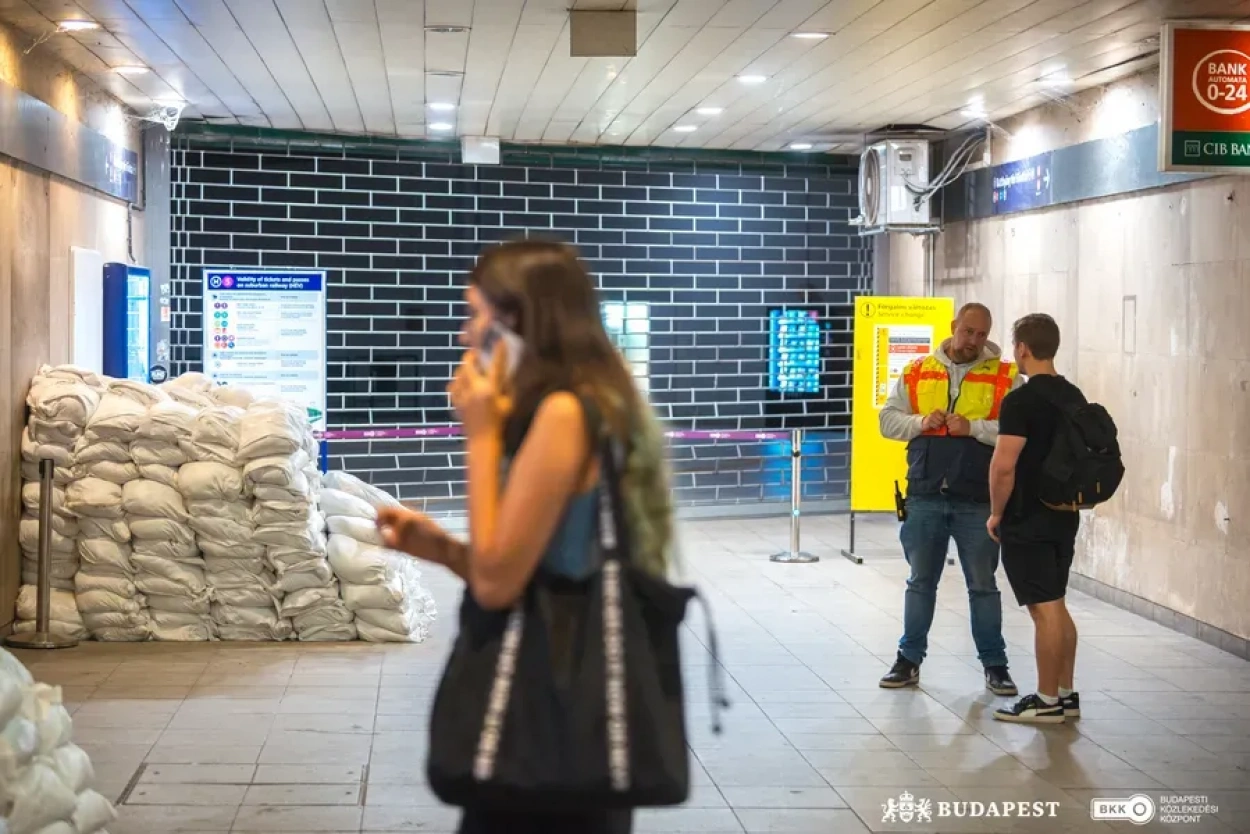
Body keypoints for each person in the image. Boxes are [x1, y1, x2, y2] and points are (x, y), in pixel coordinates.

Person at [375, 240, 676, 834]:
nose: (465, 335)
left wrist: (481, 436)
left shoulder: (565, 414)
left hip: (549, 730)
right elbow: (534, 566)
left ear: (518, 322)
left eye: (475, 315)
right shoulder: (585, 405)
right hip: (560, 732)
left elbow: (496, 584)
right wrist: (436, 547)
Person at [878, 302, 1020, 696]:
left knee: (983, 586)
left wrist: (972, 428)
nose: (974, 340)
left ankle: (996, 665)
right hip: (924, 495)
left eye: (982, 334)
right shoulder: (918, 371)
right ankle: (908, 660)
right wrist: (920, 422)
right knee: (920, 583)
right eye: (968, 331)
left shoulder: (1007, 378)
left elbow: (1014, 432)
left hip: (977, 499)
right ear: (954, 327)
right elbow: (887, 421)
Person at [988, 313, 1083, 725]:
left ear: (1022, 348)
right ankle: (1065, 693)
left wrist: (995, 513)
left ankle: (1045, 702)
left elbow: (1004, 465)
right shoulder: (1073, 395)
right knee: (1057, 604)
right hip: (1066, 513)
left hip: (1028, 515)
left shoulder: (1021, 401)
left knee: (1044, 610)